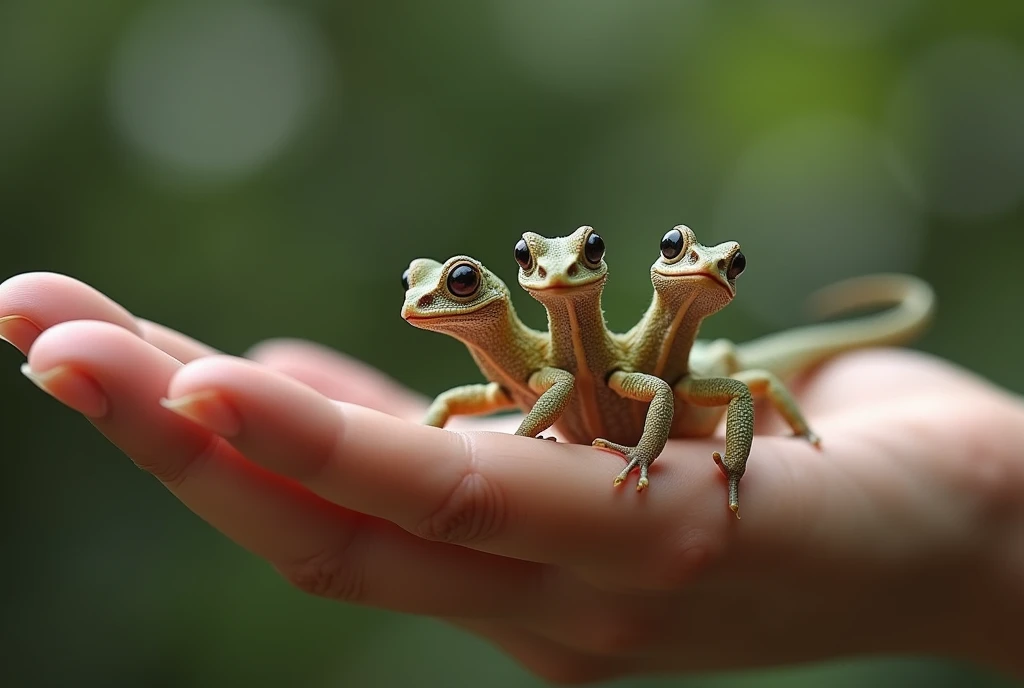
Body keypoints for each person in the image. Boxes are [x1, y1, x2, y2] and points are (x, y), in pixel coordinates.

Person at [1, 271, 1021, 684]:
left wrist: (984, 509)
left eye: (448, 286)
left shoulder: (582, 357)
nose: (426, 301)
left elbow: (645, 392)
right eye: (425, 289)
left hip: (710, 386)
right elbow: (458, 411)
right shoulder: (506, 368)